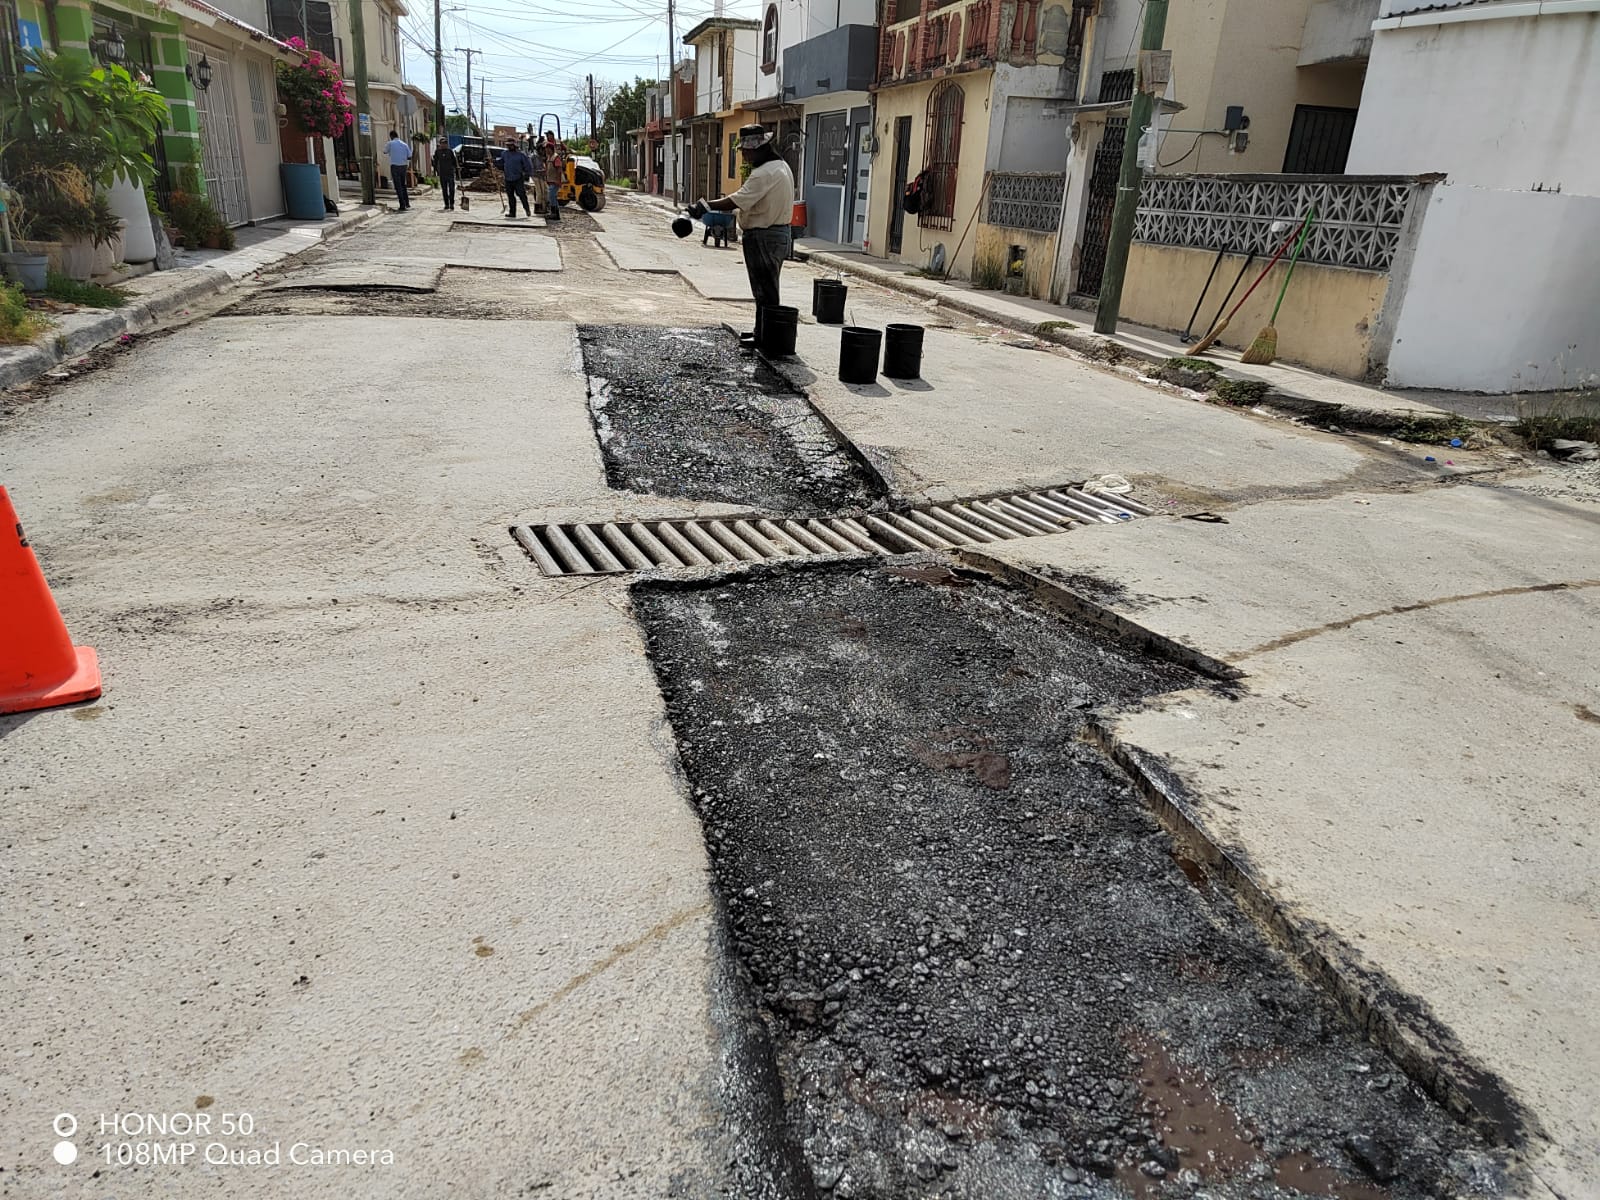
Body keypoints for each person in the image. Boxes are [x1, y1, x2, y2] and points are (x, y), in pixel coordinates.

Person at [693, 124, 794, 337]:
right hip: (778, 234)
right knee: (766, 288)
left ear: (760, 148)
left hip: (764, 236)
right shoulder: (781, 166)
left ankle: (768, 338)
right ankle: (762, 333)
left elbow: (736, 200)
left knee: (765, 290)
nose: (744, 156)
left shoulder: (764, 173)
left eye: (747, 151)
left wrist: (704, 206)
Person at [501, 139, 535, 218]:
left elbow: (528, 165)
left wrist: (527, 174)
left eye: (511, 145)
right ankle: (512, 213)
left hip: (518, 178)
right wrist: (492, 162)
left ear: (515, 145)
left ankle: (527, 209)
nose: (509, 147)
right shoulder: (505, 154)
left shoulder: (521, 155)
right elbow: (501, 162)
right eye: (508, 145)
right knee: (510, 196)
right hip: (508, 178)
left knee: (521, 194)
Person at [541, 131, 567, 221]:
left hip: (555, 181)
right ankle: (555, 213)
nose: (545, 151)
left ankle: (554, 213)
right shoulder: (549, 157)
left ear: (550, 149)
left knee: (552, 196)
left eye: (547, 149)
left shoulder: (556, 157)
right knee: (552, 197)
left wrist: (559, 181)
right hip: (551, 180)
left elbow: (559, 170)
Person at [385, 130, 412, 211]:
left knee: (398, 186)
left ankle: (402, 205)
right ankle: (407, 203)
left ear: (391, 136)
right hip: (403, 166)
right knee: (403, 185)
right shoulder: (404, 144)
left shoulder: (390, 143)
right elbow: (409, 156)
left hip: (395, 166)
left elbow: (385, 151)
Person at [434, 136, 457, 211]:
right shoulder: (438, 152)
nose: (444, 145)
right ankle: (446, 204)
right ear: (440, 144)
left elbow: (454, 161)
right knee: (444, 190)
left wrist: (457, 168)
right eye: (442, 143)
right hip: (442, 174)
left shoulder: (450, 151)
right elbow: (435, 162)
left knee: (451, 189)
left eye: (445, 143)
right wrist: (435, 171)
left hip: (450, 173)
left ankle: (452, 204)